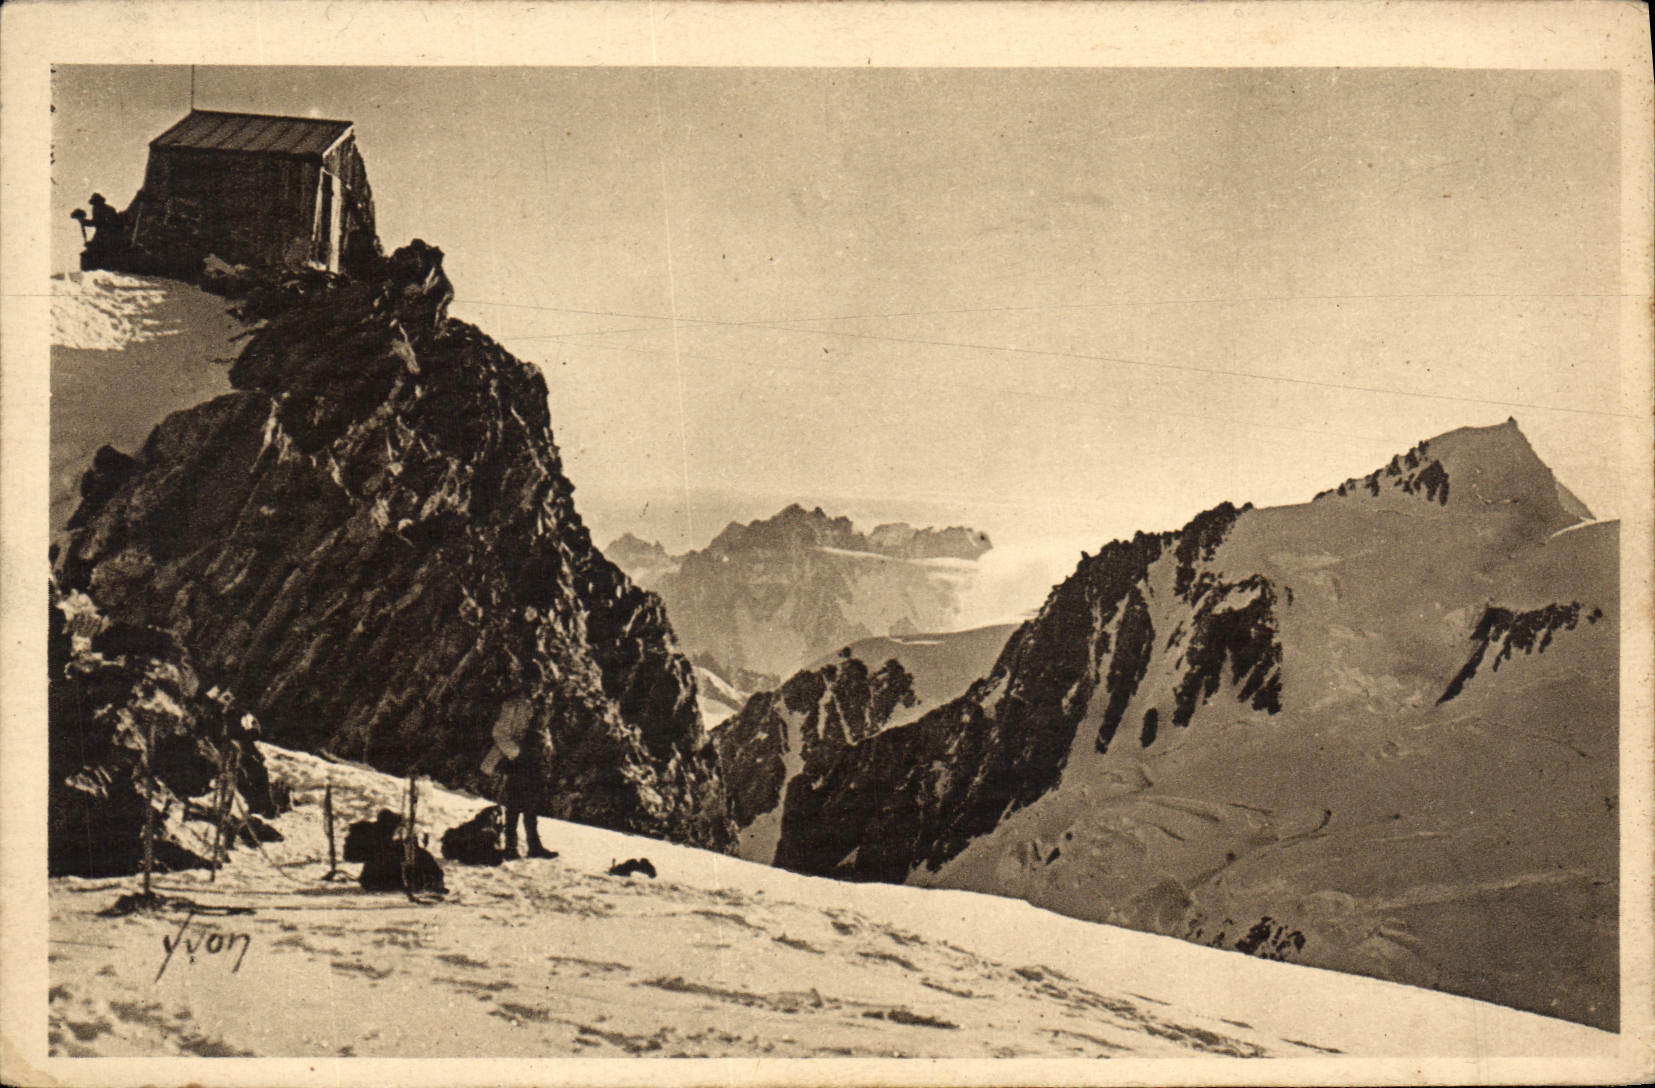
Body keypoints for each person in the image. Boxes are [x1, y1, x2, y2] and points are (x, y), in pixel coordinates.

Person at [487, 694, 556, 860]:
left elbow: (543, 730)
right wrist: (517, 753)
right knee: (514, 805)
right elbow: (500, 733)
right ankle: (511, 847)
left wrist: (545, 750)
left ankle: (534, 846)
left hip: (534, 762)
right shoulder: (513, 704)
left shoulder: (539, 704)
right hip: (518, 762)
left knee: (531, 806)